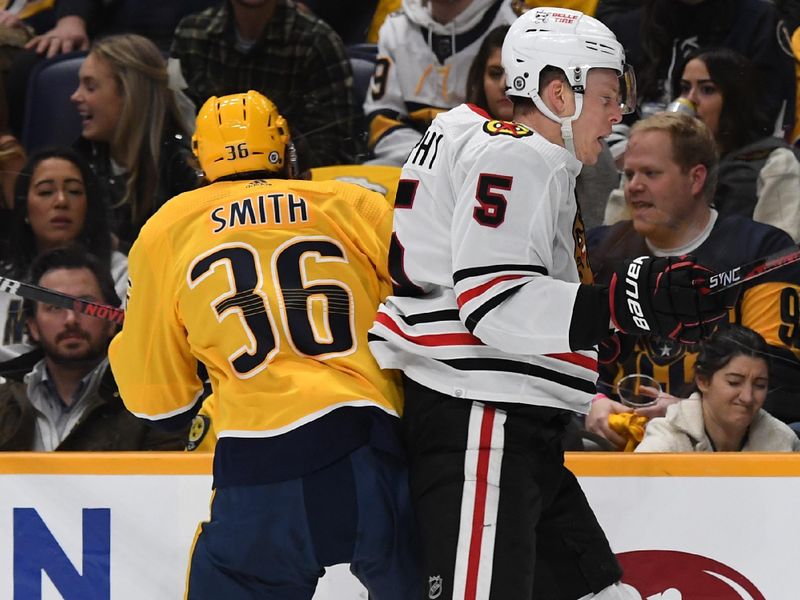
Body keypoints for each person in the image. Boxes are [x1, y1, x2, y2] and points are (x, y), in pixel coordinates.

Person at [368, 7, 727, 599]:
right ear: (557, 92)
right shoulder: (520, 154)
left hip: (512, 421)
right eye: (609, 96)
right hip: (483, 422)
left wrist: (624, 317)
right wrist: (628, 303)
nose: (620, 114)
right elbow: (495, 301)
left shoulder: (486, 143)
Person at [108, 90, 419, 599]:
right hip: (373, 449)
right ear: (286, 149)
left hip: (260, 469)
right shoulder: (355, 201)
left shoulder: (169, 227)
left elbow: (157, 401)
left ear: (199, 161)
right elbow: (432, 313)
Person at [586, 112, 800, 448]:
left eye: (651, 173)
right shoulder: (599, 250)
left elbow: (778, 378)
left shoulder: (763, 253)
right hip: (609, 437)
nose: (634, 186)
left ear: (696, 177)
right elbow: (560, 351)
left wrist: (694, 413)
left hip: (723, 443)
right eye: (629, 174)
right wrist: (592, 401)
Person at [0, 245, 185, 451]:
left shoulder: (153, 401)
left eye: (86, 305)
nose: (71, 319)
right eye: (55, 307)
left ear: (112, 320)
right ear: (33, 326)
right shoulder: (4, 401)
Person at [170, 0, 362, 167]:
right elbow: (173, 128)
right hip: (205, 186)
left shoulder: (318, 42)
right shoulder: (191, 35)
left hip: (290, 191)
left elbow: (335, 148)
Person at [70, 33, 200, 247]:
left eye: (90, 87)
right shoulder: (80, 159)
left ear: (129, 94)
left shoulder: (182, 171)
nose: (75, 96)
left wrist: (116, 248)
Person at [0, 146, 126, 357]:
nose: (61, 201)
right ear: (24, 207)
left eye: (74, 191)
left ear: (89, 205)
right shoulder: (5, 278)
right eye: (46, 192)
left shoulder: (121, 271)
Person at [363, 0, 515, 165]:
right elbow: (382, 120)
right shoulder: (396, 27)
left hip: (484, 165)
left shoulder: (518, 27)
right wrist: (430, 160)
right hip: (406, 161)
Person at [672, 47, 800, 240]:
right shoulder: (672, 158)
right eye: (684, 88)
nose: (689, 100)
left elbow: (779, 250)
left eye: (707, 89)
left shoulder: (774, 160)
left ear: (735, 99)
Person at [636, 325, 800, 452]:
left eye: (760, 385)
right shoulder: (664, 441)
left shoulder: (783, 441)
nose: (747, 397)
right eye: (734, 382)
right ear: (703, 381)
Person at [465, 24, 512, 121]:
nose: (504, 85)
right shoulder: (456, 133)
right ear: (480, 79)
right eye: (495, 74)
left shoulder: (551, 135)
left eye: (515, 74)